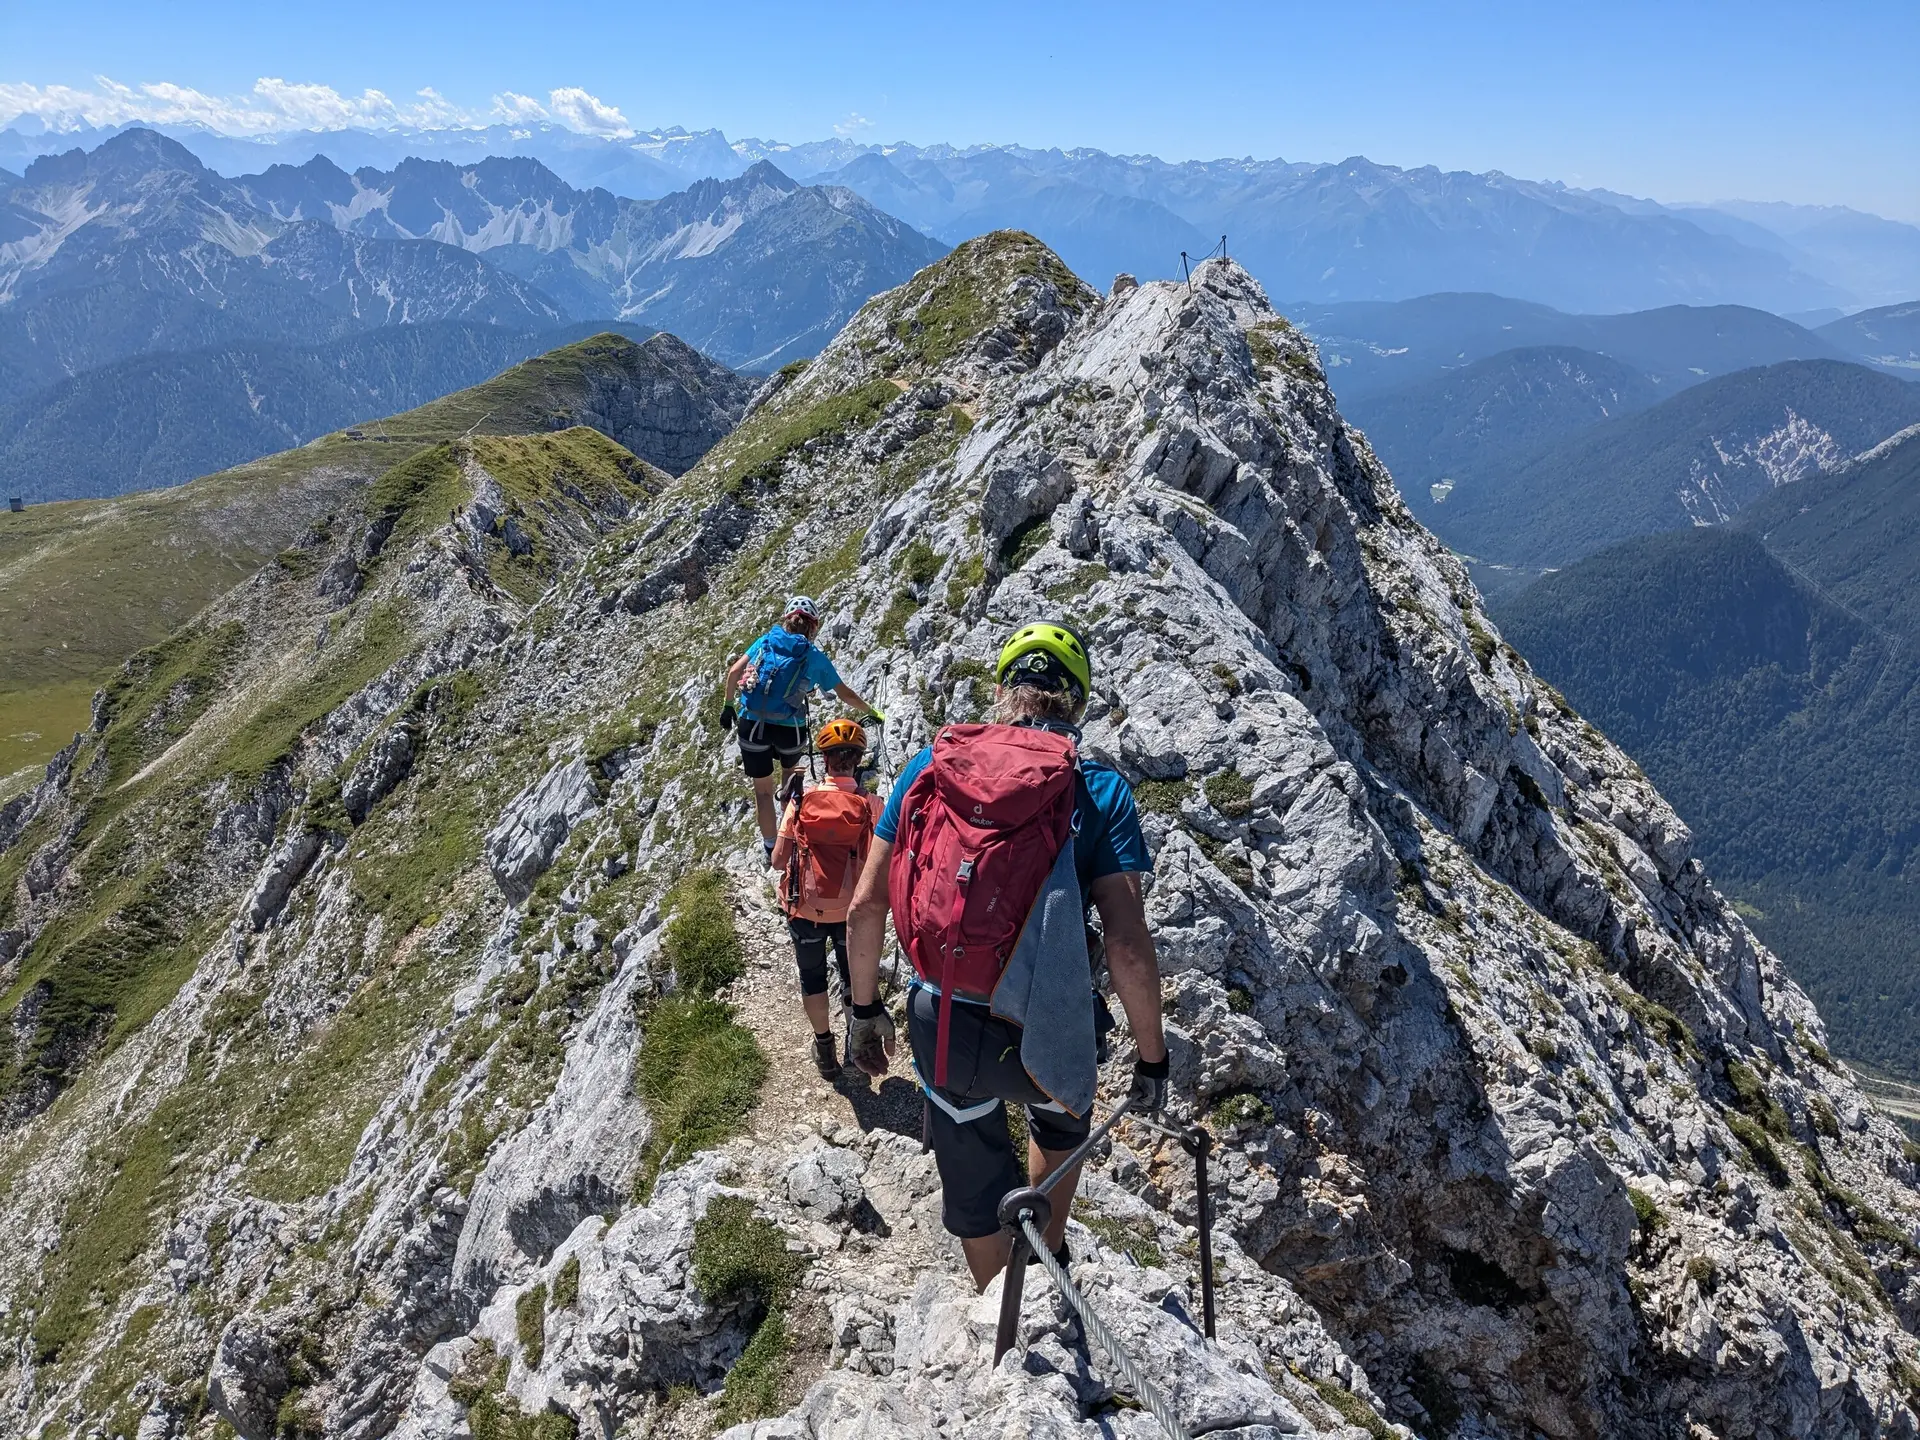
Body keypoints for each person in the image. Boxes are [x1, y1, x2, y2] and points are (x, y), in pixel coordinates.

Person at [842, 621, 1169, 1292]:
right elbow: (1126, 941)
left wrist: (865, 1008)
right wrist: (1152, 1056)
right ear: (1074, 704)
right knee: (1058, 1114)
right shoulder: (1099, 790)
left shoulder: (929, 769)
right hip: (1047, 1022)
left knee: (971, 1176)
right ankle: (1046, 1259)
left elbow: (866, 903)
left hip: (944, 1021)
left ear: (1001, 691)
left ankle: (1000, 1305)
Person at [722, 596, 881, 862]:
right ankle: (791, 843)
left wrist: (728, 706)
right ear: (813, 627)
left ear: (786, 619)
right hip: (790, 730)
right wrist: (872, 712)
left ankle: (771, 849)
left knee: (762, 792)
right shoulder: (813, 656)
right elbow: (845, 694)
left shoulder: (766, 641)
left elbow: (734, 672)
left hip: (752, 725)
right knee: (789, 786)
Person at [770, 718, 885, 1080]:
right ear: (858, 759)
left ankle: (824, 1049)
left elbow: (776, 860)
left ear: (824, 759)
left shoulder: (801, 800)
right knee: (853, 978)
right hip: (852, 912)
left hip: (806, 909)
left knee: (812, 978)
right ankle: (855, 1049)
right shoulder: (872, 805)